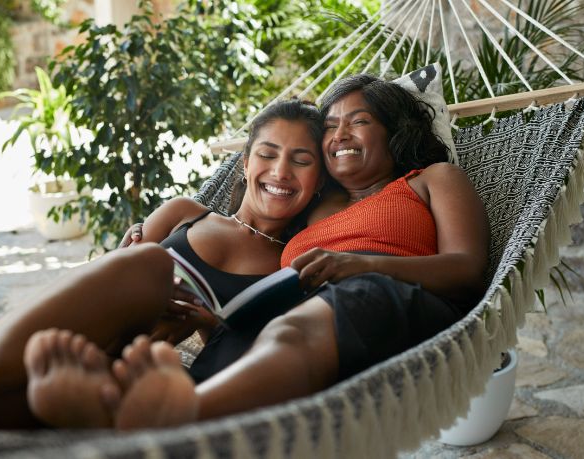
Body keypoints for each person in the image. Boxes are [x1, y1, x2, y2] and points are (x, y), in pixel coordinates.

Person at [0, 99, 325, 429]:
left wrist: (207, 328)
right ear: (244, 163)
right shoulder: (184, 213)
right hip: (87, 341)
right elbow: (92, 286)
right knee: (146, 263)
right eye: (268, 153)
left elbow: (264, 355)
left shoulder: (292, 264)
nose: (281, 171)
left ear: (318, 182)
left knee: (39, 384)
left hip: (146, 369)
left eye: (301, 160)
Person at [51, 73, 490, 428]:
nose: (340, 134)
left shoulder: (431, 179)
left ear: (393, 131)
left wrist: (358, 265)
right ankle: (131, 409)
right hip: (299, 327)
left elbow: (468, 269)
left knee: (319, 314)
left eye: (358, 121)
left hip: (390, 303)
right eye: (331, 127)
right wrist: (212, 323)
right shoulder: (317, 205)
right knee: (233, 341)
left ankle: (182, 417)